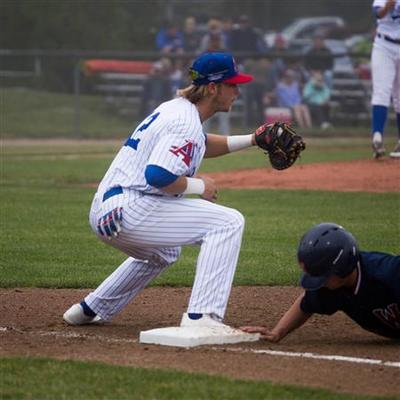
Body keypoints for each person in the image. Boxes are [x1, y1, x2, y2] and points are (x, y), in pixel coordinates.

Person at [63, 52, 259, 329]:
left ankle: (91, 308)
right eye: (232, 84)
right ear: (213, 88)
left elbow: (201, 143)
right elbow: (157, 175)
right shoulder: (185, 124)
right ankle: (202, 317)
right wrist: (200, 186)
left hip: (108, 208)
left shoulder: (176, 109)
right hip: (131, 207)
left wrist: (253, 139)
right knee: (227, 222)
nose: (238, 91)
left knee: (165, 253)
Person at [241, 223, 400, 341]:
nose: (320, 283)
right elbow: (306, 304)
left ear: (343, 267)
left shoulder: (389, 272)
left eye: (323, 276)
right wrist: (277, 332)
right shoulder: (332, 287)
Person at [370, 0, 400, 159]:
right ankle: (377, 137)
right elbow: (377, 12)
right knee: (381, 91)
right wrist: (388, 6)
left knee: (399, 96)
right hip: (384, 45)